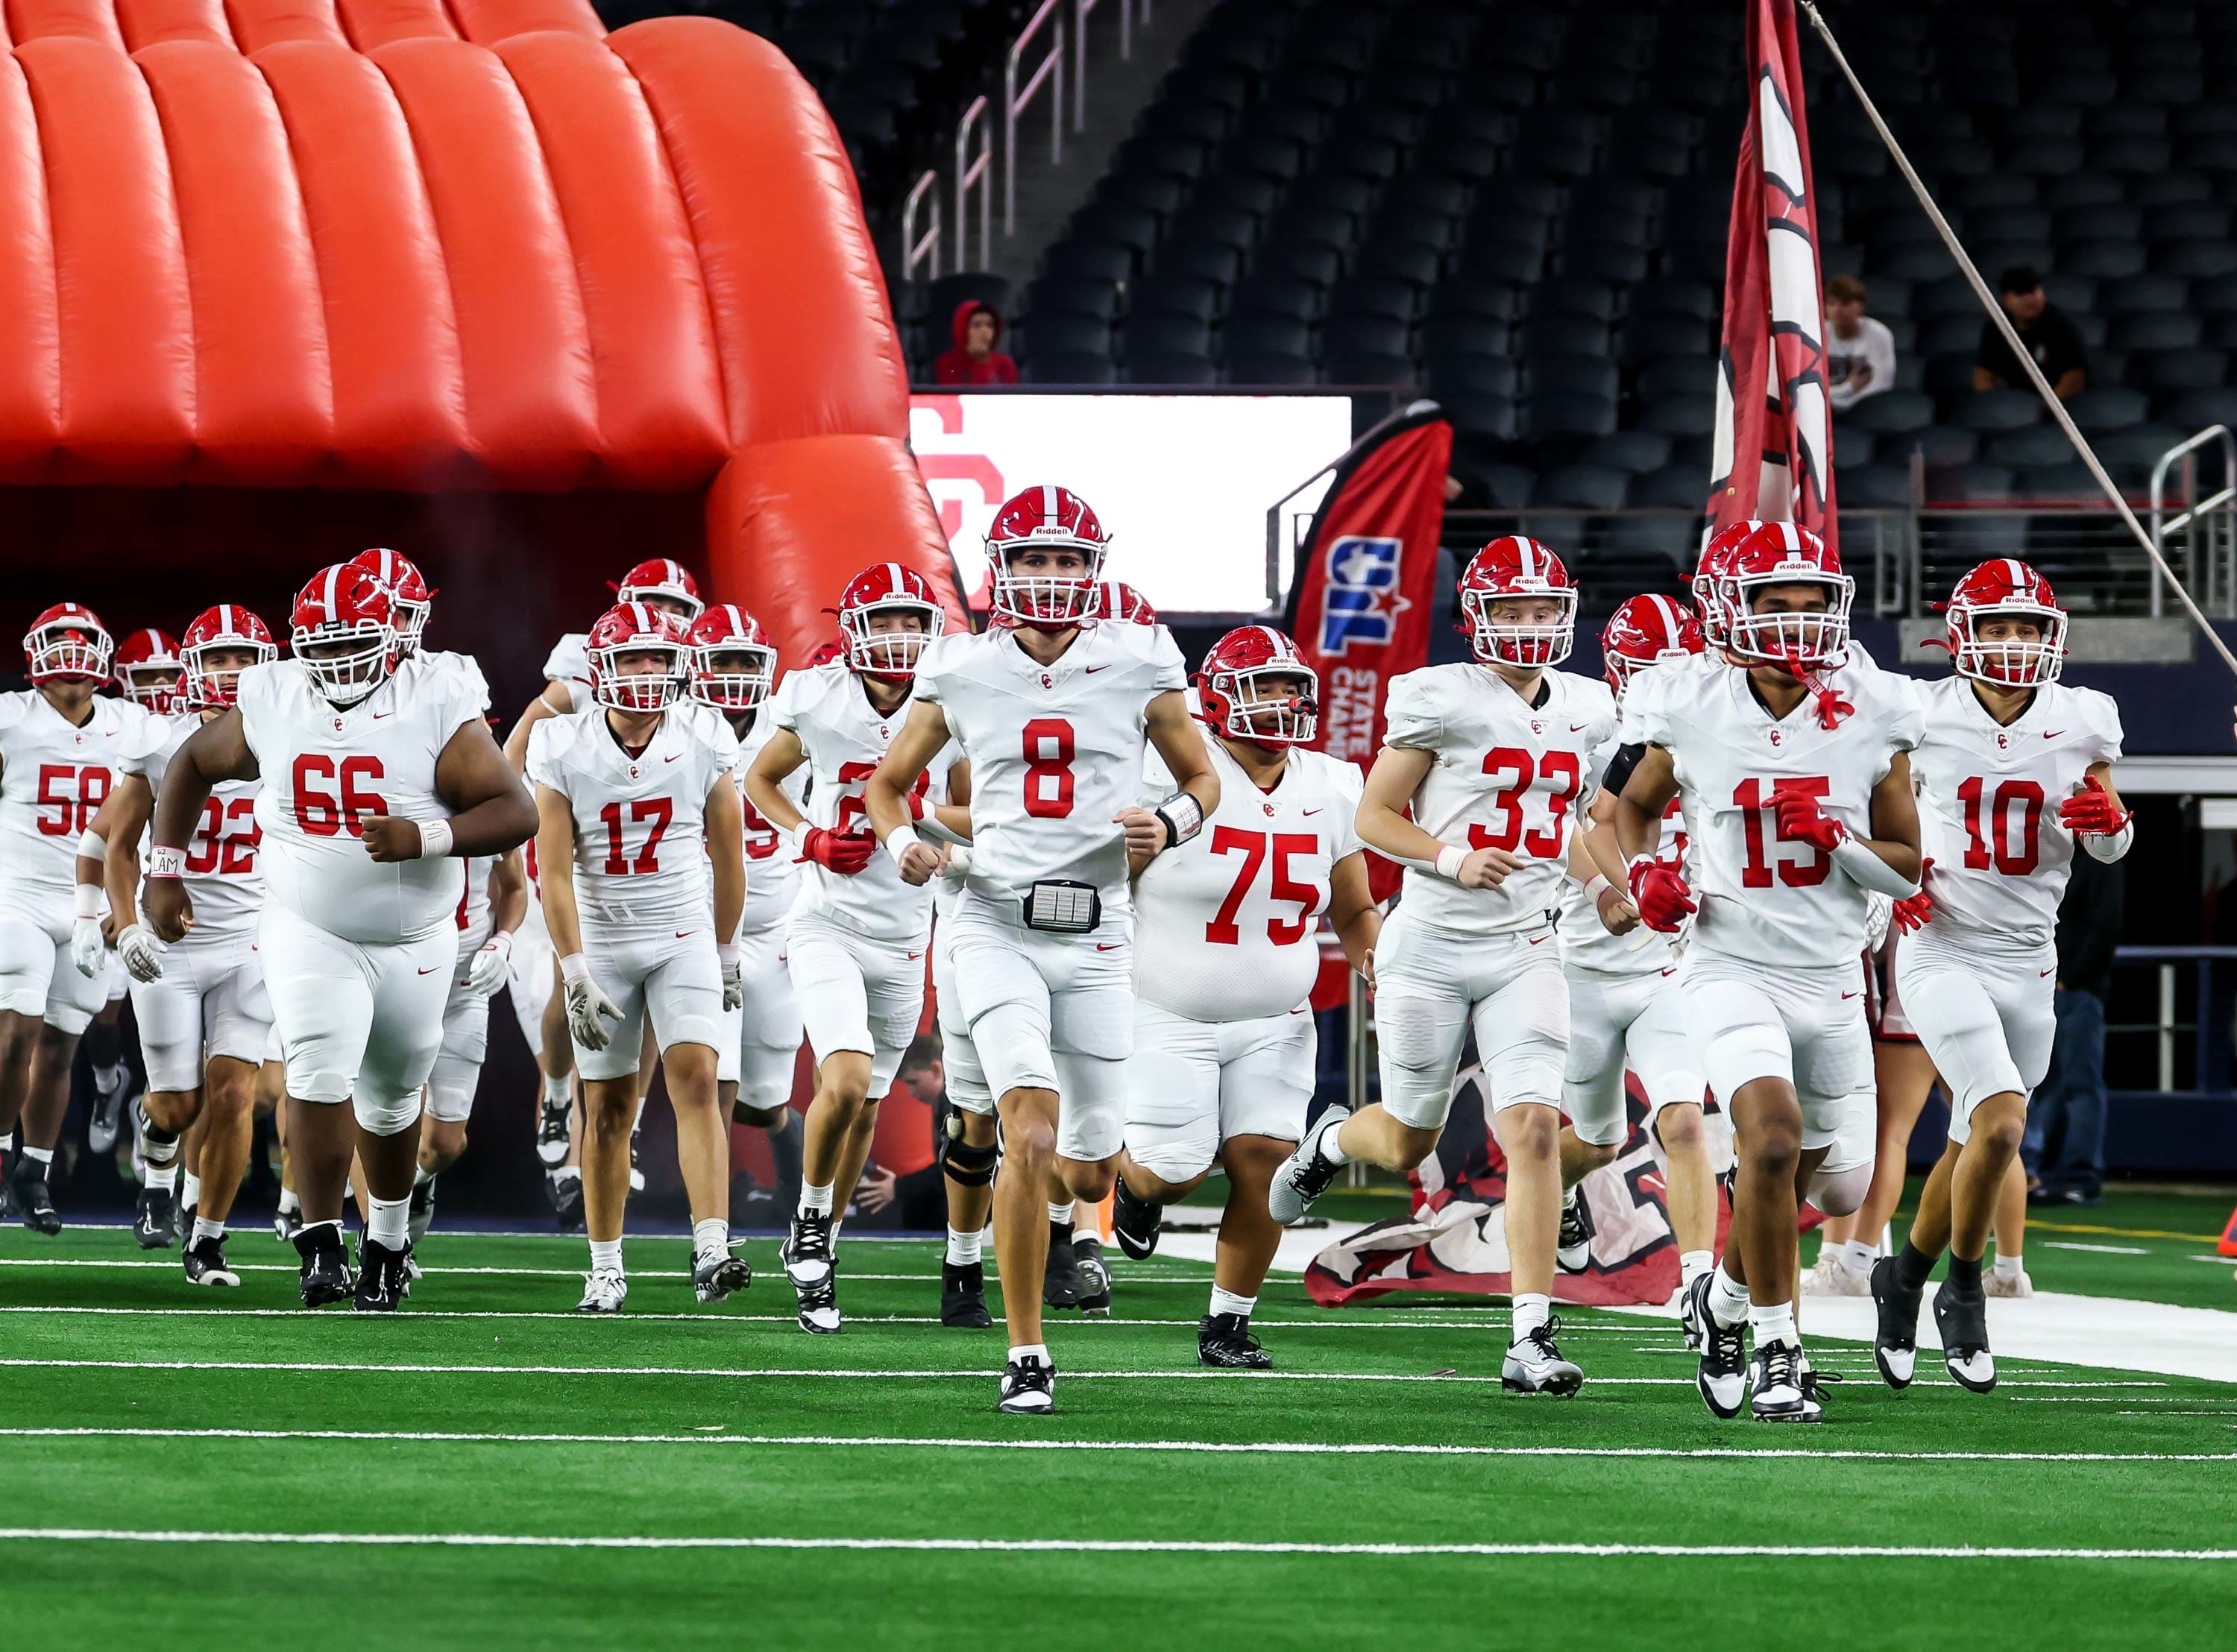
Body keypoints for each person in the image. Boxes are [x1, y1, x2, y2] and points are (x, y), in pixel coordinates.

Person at [865, 483, 1218, 1414]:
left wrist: (1173, 822)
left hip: (1099, 925)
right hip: (992, 917)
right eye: (1033, 559)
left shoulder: (1139, 656)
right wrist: (905, 843)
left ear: (1094, 568)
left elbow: (1200, 776)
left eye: (1067, 559)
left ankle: (1099, 1207)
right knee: (1029, 1129)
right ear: (1002, 569)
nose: (1051, 576)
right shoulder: (962, 665)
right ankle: (1026, 1352)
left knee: (1090, 1166)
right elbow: (888, 785)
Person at [1268, 537, 1617, 1397]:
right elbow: (1374, 815)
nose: (1530, 628)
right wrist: (1449, 855)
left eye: (1544, 611)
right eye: (1512, 611)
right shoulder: (1439, 695)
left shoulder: (1590, 706)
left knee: (1533, 1126)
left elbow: (1564, 830)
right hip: (1429, 942)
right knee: (1407, 1136)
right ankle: (1332, 1137)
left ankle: (1531, 1333)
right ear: (1477, 616)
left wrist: (1609, 883)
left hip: (1528, 944)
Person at [145, 566, 535, 1311]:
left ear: (396, 636)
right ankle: (320, 1241)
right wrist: (165, 870)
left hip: (415, 935)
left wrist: (427, 834)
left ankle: (387, 1241)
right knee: (318, 1074)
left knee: (391, 1099)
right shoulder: (279, 692)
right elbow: (194, 761)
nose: (334, 660)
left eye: (352, 642)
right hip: (307, 922)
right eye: (321, 644)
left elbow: (516, 811)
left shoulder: (436, 695)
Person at [1600, 522, 1924, 1423]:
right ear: (1726, 610)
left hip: (1830, 973)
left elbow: (1905, 866)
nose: (1796, 623)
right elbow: (1630, 808)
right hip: (1728, 958)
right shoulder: (1689, 701)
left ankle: (1726, 1299)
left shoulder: (1875, 706)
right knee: (1770, 1142)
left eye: (1811, 603)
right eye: (1772, 604)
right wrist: (1644, 873)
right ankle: (1782, 1350)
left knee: (1837, 1185)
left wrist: (1842, 840)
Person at [1870, 559, 2128, 1391]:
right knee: (2006, 1127)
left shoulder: (2086, 718)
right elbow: (1868, 811)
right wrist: (1888, 892)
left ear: (2051, 636)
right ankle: (1963, 1288)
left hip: (2031, 957)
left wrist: (2113, 826)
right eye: (1997, 625)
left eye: (2027, 626)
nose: (2013, 642)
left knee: (1971, 1140)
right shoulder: (1917, 711)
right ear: (1960, 634)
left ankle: (1902, 1275)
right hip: (1942, 944)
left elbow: (2107, 840)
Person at [1111, 625, 1379, 1369]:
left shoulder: (1331, 783)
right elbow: (1109, 886)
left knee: (1267, 1161)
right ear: (1216, 698)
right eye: (1261, 685)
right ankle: (1133, 1182)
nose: (1280, 700)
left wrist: (1375, 960)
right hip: (1168, 1005)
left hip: (1278, 1017)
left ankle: (1226, 1324)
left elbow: (1352, 908)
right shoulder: (1167, 775)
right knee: (1176, 1170)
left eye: (1288, 685)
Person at [743, 564, 957, 1334]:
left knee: (866, 1106)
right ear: (852, 629)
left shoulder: (952, 695)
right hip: (828, 920)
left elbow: (973, 804)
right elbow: (760, 779)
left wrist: (920, 820)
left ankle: (820, 1254)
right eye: (885, 620)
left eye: (911, 620)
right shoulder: (818, 692)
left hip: (906, 933)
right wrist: (808, 835)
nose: (899, 637)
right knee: (848, 1076)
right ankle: (806, 1216)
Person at [528, 601, 748, 1312]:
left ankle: (712, 1247)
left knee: (697, 1077)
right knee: (612, 1108)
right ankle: (604, 1266)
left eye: (659, 657)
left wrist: (728, 949)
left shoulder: (704, 731)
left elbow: (729, 853)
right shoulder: (562, 743)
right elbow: (553, 870)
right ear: (602, 668)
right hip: (606, 937)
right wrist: (574, 971)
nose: (648, 672)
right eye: (633, 658)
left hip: (683, 931)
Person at [71, 605, 277, 1281]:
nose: (232, 672)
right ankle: (155, 1149)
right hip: (173, 947)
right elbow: (116, 844)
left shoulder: (297, 741)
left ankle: (208, 1240)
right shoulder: (162, 742)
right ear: (194, 668)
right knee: (179, 1105)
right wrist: (124, 923)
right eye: (217, 658)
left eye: (243, 657)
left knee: (235, 1095)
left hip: (252, 939)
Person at [506, 558, 706, 1200]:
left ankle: (632, 1121)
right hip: (575, 874)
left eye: (678, 610)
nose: (665, 621)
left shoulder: (687, 689)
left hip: (650, 881)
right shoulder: (583, 677)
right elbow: (512, 759)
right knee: (572, 1001)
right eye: (651, 603)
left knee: (641, 1017)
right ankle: (559, 1096)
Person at [1556, 596, 1717, 1314]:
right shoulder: (1589, 743)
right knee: (1594, 1141)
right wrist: (1613, 887)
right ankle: (1553, 1191)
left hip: (1668, 969)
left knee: (1683, 1120)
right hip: (1585, 967)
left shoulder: (1718, 739)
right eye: (1651, 669)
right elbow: (1567, 833)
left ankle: (1696, 1283)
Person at [0, 604, 168, 1233]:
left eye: (81, 644)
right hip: (17, 892)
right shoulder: (11, 719)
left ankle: (34, 1172)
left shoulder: (134, 724)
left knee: (59, 1044)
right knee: (16, 1029)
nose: (71, 657)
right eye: (59, 643)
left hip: (90, 904)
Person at [686, 605, 806, 1210]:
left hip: (775, 923)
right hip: (699, 932)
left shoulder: (793, 727)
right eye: (722, 659)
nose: (734, 673)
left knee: (765, 1103)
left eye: (746, 661)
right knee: (716, 1080)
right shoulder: (675, 727)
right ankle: (716, 1227)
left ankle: (792, 1174)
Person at [2024, 825, 2125, 1208]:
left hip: (2075, 991)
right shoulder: (2059, 858)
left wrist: (2069, 978)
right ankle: (2044, 1173)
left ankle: (2080, 1175)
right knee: (2044, 1083)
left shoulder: (2101, 861)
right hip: (2046, 985)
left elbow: (2106, 926)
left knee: (2079, 1083)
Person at [1974, 266, 2087, 401]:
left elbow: (2074, 380)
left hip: (2058, 407)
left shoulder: (2061, 326)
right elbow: (1984, 376)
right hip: (2016, 402)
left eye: (2033, 291)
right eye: (2019, 293)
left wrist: (2041, 412)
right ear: (2005, 300)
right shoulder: (1996, 327)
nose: (2029, 299)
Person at [1825, 276, 1897, 412]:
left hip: (1866, 410)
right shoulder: (1817, 333)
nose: (1837, 310)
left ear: (1860, 307)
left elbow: (1882, 383)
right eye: (1832, 303)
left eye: (1845, 304)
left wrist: (1852, 407)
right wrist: (1848, 389)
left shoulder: (1879, 334)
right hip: (1825, 409)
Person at [934, 301, 1019, 387]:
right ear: (963, 328)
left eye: (990, 325)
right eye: (977, 325)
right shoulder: (947, 363)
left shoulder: (1005, 365)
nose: (985, 331)